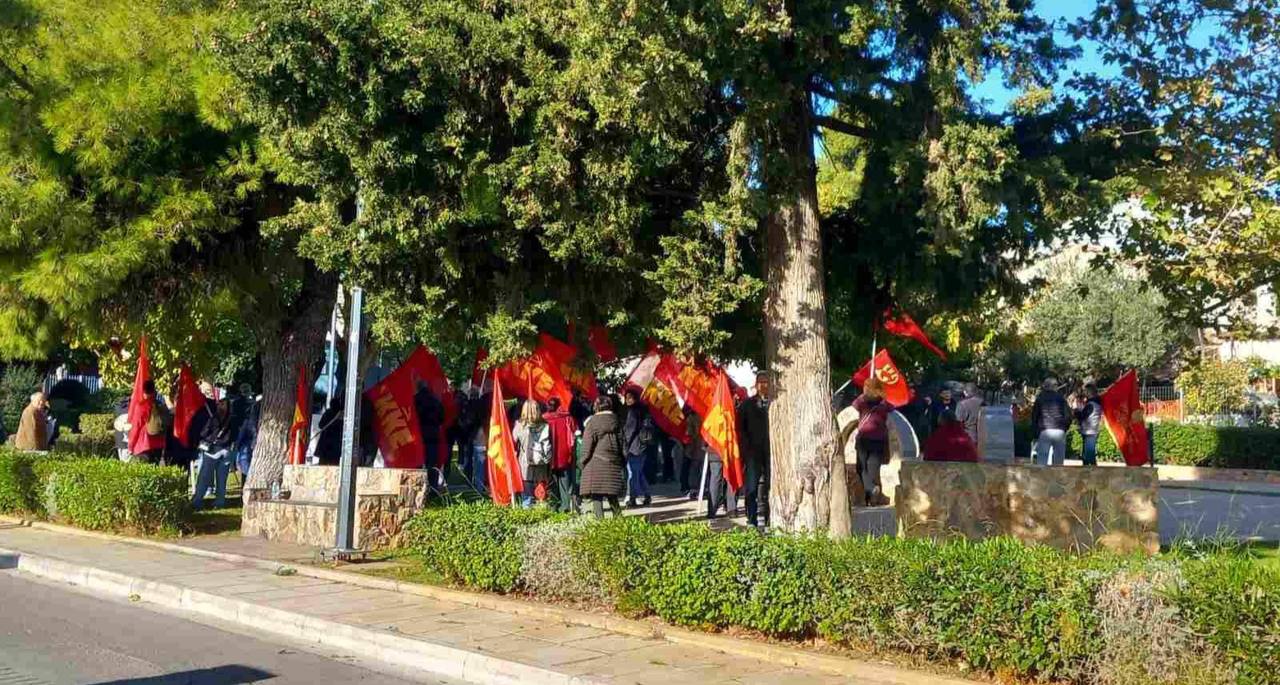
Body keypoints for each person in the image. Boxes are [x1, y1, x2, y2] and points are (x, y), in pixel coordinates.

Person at [579, 395, 626, 518]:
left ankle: (600, 524)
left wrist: (581, 462)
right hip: (613, 463)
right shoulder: (617, 421)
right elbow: (623, 445)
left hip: (595, 465)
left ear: (596, 407)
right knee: (612, 495)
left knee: (596, 497)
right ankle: (619, 522)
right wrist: (622, 461)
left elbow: (587, 446)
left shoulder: (592, 423)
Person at [192, 381, 235, 511]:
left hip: (213, 450)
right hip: (227, 450)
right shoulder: (232, 418)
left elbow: (205, 432)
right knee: (222, 479)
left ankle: (198, 501)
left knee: (204, 477)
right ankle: (220, 502)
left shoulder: (214, 418)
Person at [738, 372, 771, 529]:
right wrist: (746, 448)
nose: (764, 385)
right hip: (753, 452)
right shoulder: (747, 405)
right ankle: (751, 519)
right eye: (761, 382)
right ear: (756, 384)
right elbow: (740, 428)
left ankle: (769, 518)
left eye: (766, 382)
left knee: (770, 486)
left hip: (771, 452)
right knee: (751, 487)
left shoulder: (775, 404)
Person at [853, 377, 894, 506]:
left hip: (864, 438)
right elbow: (892, 408)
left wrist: (863, 394)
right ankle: (871, 497)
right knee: (872, 470)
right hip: (879, 439)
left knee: (861, 468)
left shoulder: (862, 401)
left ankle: (870, 492)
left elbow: (854, 405)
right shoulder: (883, 403)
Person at [512, 399, 552, 507]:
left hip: (525, 465)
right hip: (541, 463)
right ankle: (543, 514)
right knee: (541, 494)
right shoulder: (545, 425)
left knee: (527, 496)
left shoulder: (519, 426)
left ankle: (528, 516)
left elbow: (513, 442)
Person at [543, 397, 579, 513]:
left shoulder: (543, 419)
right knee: (565, 482)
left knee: (551, 482)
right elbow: (575, 433)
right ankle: (565, 507)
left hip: (548, 456)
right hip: (565, 455)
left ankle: (553, 507)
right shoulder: (568, 418)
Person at [621, 388, 655, 507]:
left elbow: (630, 430)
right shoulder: (644, 410)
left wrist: (624, 444)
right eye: (626, 398)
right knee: (638, 472)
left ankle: (632, 497)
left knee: (632, 473)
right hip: (643, 445)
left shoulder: (632, 412)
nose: (627, 400)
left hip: (633, 447)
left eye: (629, 398)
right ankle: (647, 495)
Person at [1030, 377, 1071, 466]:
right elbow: (1068, 415)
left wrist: (1036, 432)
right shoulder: (1061, 398)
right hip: (1059, 431)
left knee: (1042, 461)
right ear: (1054, 386)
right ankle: (1057, 479)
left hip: (1045, 430)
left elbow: (1034, 417)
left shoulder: (1040, 398)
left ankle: (1042, 478)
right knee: (1058, 462)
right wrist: (1064, 428)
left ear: (1045, 386)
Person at [414, 382, 445, 488]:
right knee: (432, 462)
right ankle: (432, 487)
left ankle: (418, 485)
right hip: (433, 434)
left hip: (419, 434)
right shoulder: (435, 400)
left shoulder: (415, 399)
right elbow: (442, 418)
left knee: (418, 461)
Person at [1074, 384, 1104, 467]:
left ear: (1089, 392)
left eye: (1085, 391)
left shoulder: (1091, 404)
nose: (1084, 393)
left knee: (1089, 455)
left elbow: (1083, 416)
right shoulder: (1096, 403)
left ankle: (1093, 472)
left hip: (1090, 431)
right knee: (1087, 454)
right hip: (1091, 430)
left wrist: (1076, 412)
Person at [954, 382, 987, 459]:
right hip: (982, 439)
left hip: (967, 438)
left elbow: (958, 424)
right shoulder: (983, 403)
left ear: (965, 392)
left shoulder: (962, 404)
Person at [234, 393, 261, 482]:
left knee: (246, 463)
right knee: (245, 463)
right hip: (248, 445)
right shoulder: (249, 421)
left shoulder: (251, 421)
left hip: (250, 445)